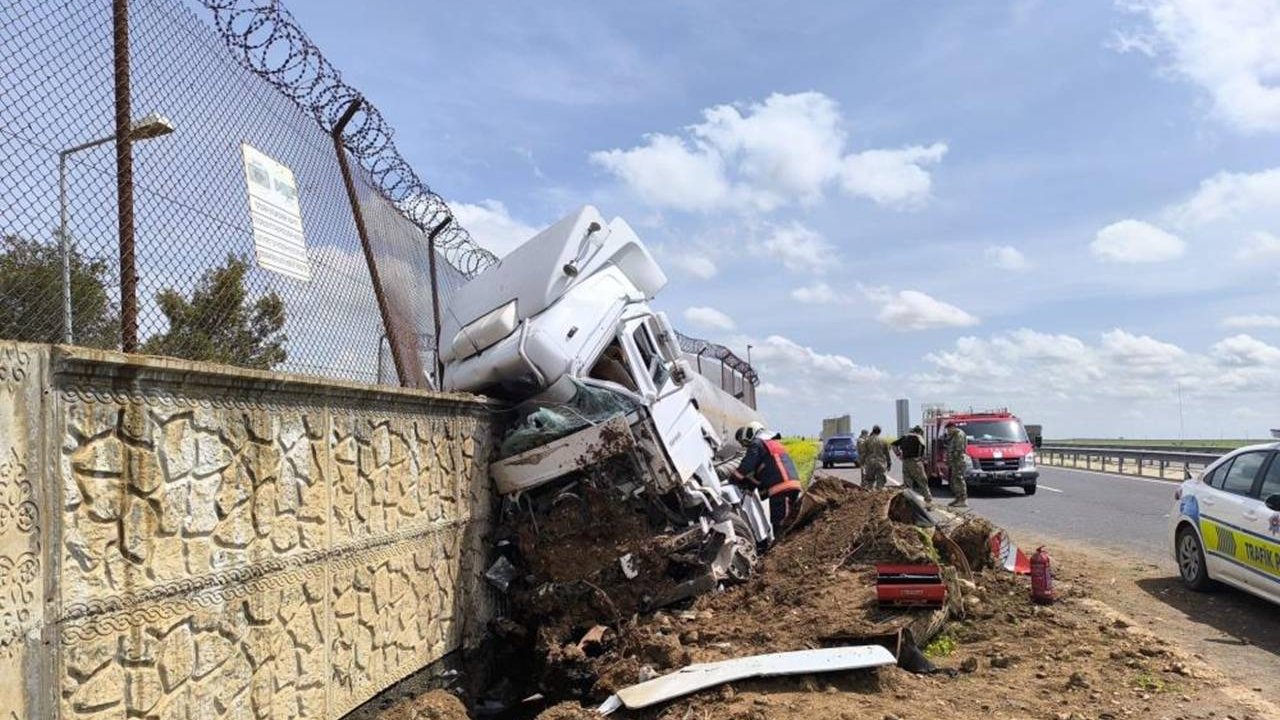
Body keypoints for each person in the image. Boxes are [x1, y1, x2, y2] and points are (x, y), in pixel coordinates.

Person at [731, 422, 803, 529]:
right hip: (790, 486)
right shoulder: (770, 444)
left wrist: (734, 479)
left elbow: (747, 465)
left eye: (744, 442)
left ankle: (780, 544)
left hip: (781, 489)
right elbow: (761, 472)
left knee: (780, 524)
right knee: (788, 521)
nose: (745, 445)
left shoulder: (757, 443)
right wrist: (749, 487)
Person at [892, 425, 933, 506]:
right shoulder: (919, 437)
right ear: (920, 432)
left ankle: (909, 504)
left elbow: (893, 445)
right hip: (916, 462)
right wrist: (921, 457)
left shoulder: (905, 437)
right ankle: (928, 502)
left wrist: (898, 454)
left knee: (907, 484)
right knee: (922, 482)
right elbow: (923, 448)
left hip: (905, 462)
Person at [945, 422, 969, 508]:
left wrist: (952, 459)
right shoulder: (953, 435)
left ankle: (963, 500)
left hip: (958, 461)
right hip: (954, 461)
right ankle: (958, 498)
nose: (948, 431)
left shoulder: (959, 435)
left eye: (949, 429)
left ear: (953, 427)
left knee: (959, 479)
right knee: (954, 480)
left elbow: (959, 450)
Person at [861, 425, 891, 490]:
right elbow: (887, 453)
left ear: (873, 431)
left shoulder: (867, 440)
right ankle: (879, 496)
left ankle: (870, 496)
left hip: (870, 463)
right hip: (881, 463)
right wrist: (889, 463)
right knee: (880, 483)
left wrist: (862, 463)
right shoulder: (883, 441)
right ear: (879, 432)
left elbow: (864, 453)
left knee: (869, 483)